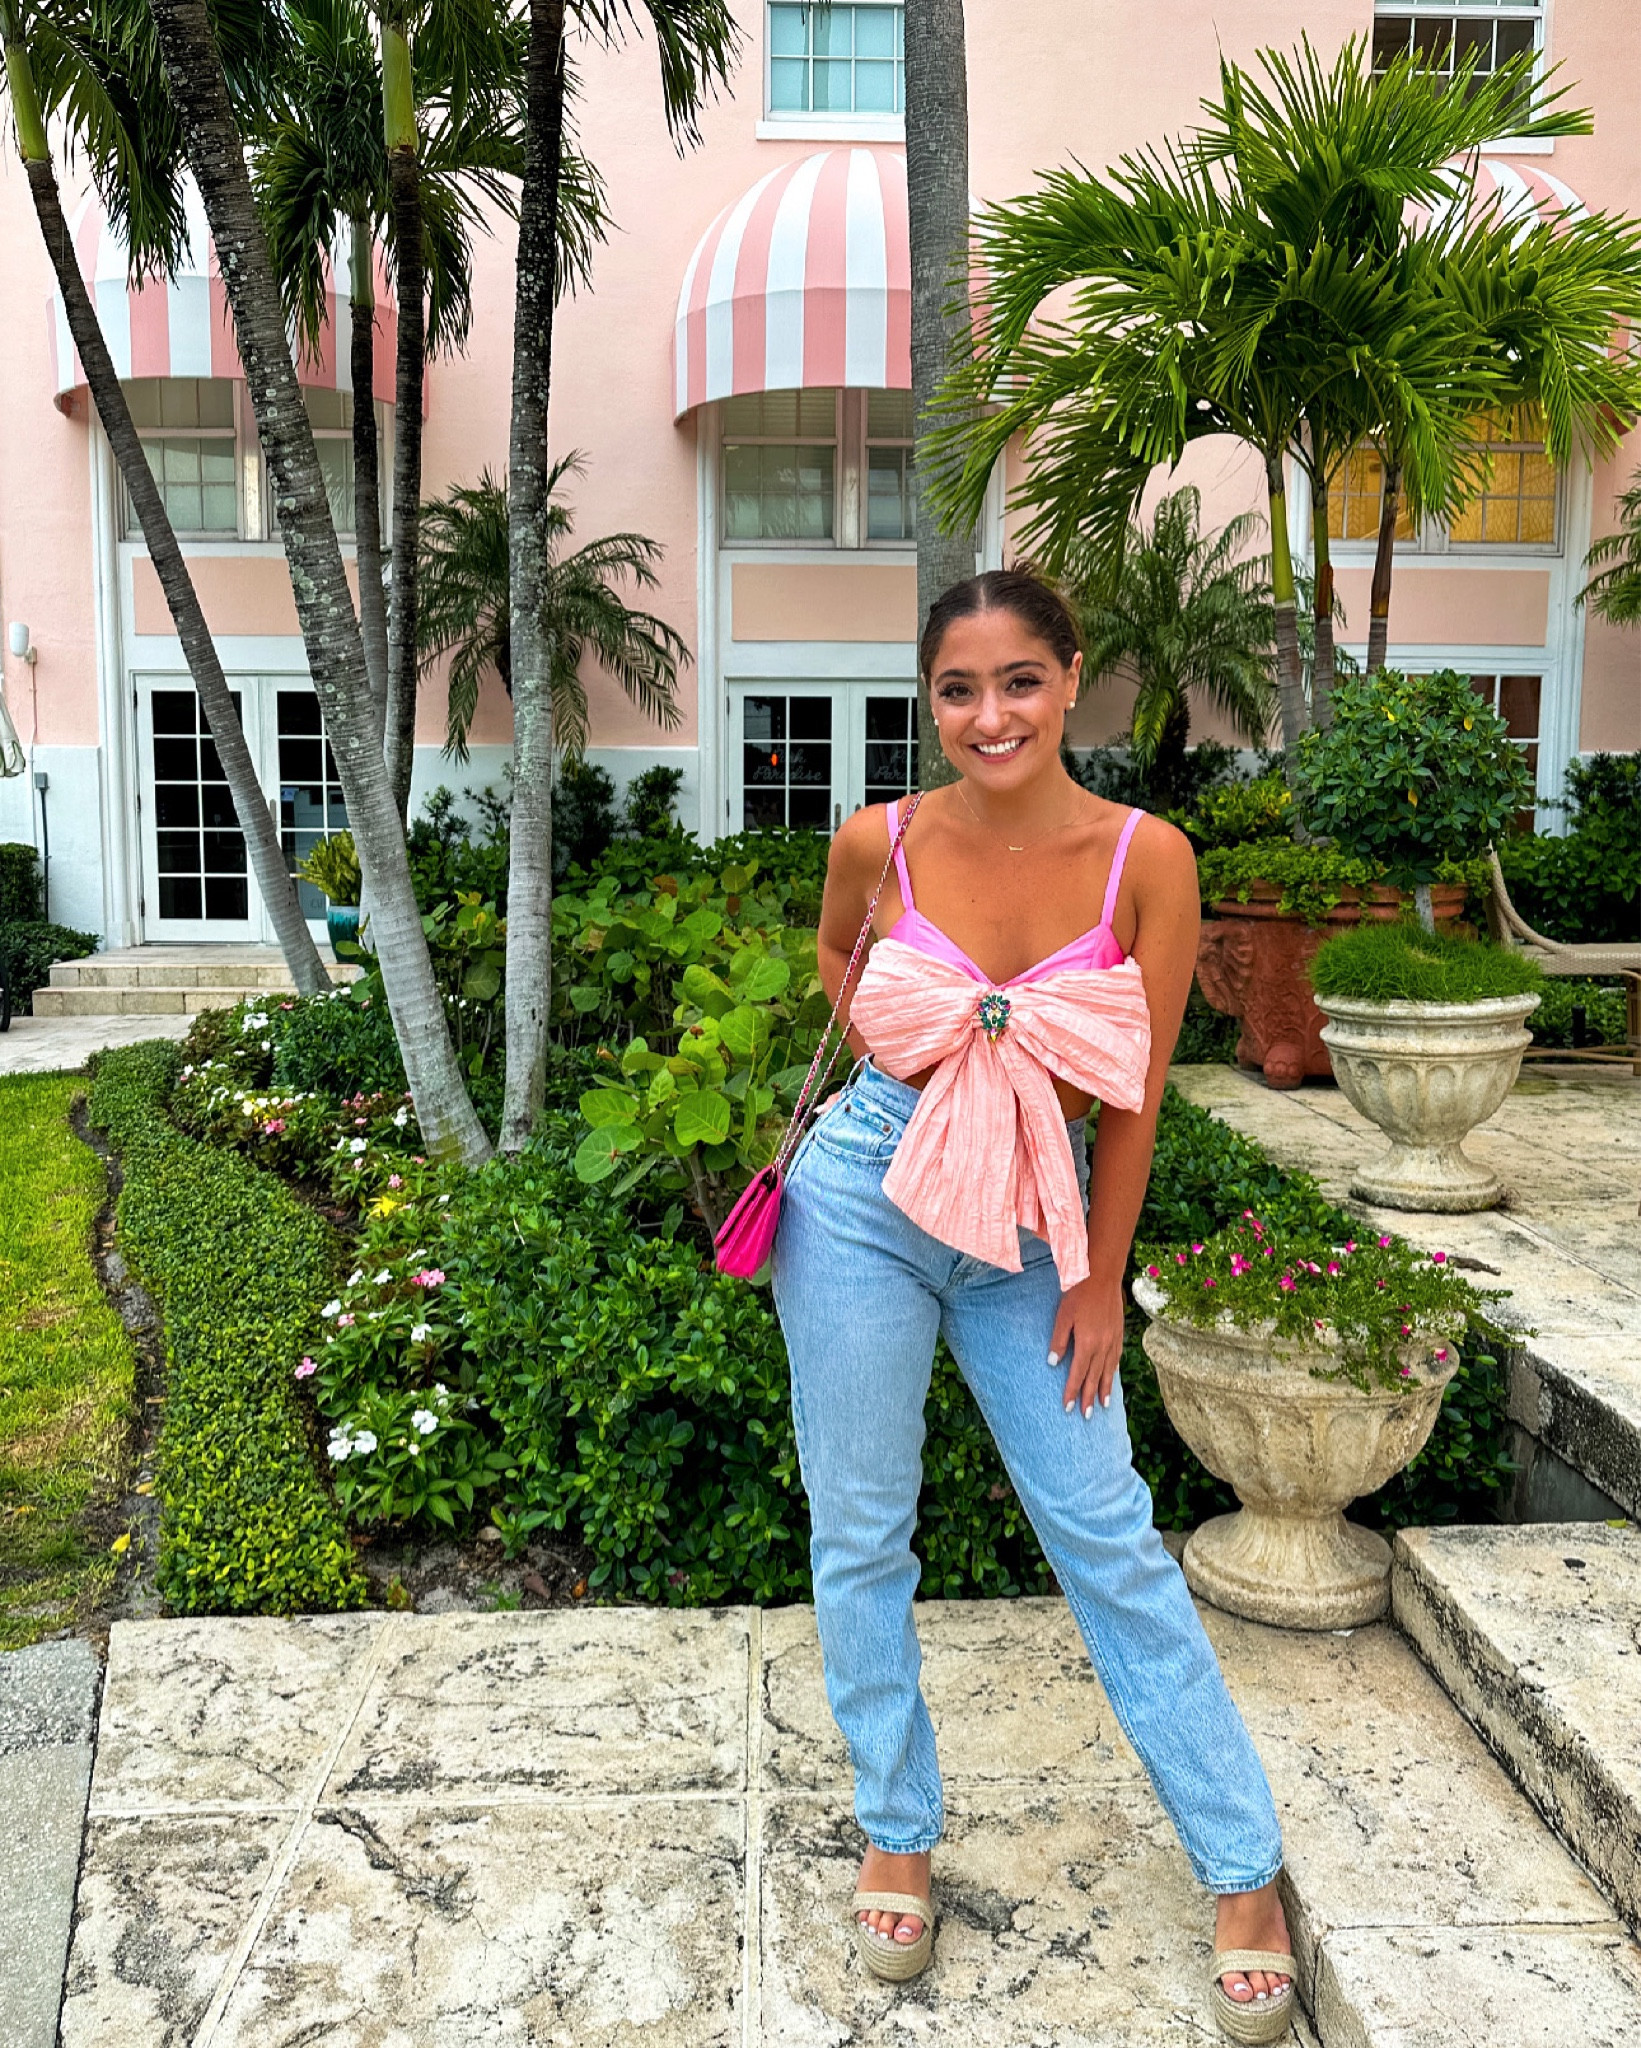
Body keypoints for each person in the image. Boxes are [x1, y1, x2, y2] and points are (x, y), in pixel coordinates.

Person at [770, 568, 1295, 2043]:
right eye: (955, 687)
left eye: (1015, 681)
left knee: (1107, 1536)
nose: (985, 713)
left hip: (1034, 1220)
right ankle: (895, 1826)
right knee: (860, 1526)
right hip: (863, 1194)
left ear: (1071, 683)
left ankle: (1238, 1866)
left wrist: (1097, 1281)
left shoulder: (1147, 858)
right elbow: (835, 957)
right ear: (927, 700)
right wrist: (918, 1037)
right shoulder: (878, 839)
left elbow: (1132, 1091)